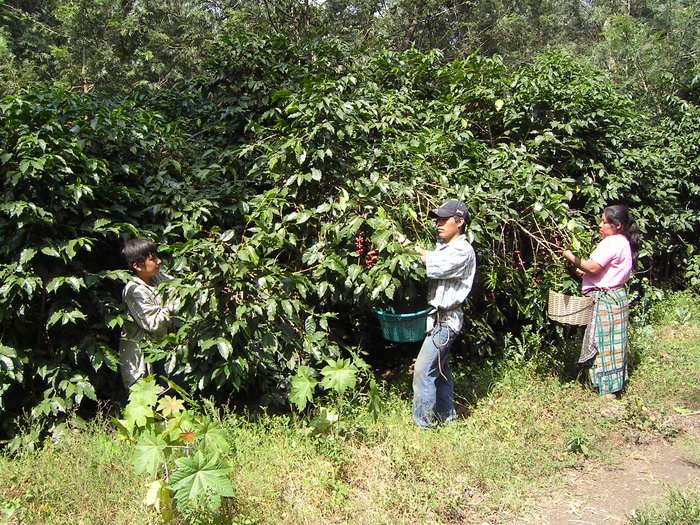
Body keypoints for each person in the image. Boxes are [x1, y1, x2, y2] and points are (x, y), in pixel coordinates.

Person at [400, 199, 476, 427]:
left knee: (423, 371)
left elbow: (432, 263)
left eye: (444, 219)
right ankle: (447, 417)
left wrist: (403, 244)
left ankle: (423, 424)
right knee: (441, 371)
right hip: (437, 319)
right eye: (437, 219)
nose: (438, 224)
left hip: (446, 322)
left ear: (460, 222)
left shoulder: (462, 250)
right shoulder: (445, 247)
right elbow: (429, 255)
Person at [561, 205, 640, 400]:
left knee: (602, 343)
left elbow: (593, 266)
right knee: (614, 343)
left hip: (606, 300)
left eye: (604, 222)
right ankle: (612, 386)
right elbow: (601, 270)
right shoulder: (623, 242)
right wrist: (585, 271)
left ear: (617, 225)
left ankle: (606, 390)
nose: (600, 225)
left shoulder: (611, 242)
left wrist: (569, 255)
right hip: (617, 297)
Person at [119, 238, 179, 388]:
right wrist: (173, 304)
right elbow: (153, 324)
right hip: (147, 354)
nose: (159, 261)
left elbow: (180, 287)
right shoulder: (134, 290)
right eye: (152, 259)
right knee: (156, 396)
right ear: (137, 266)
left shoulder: (158, 277)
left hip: (165, 346)